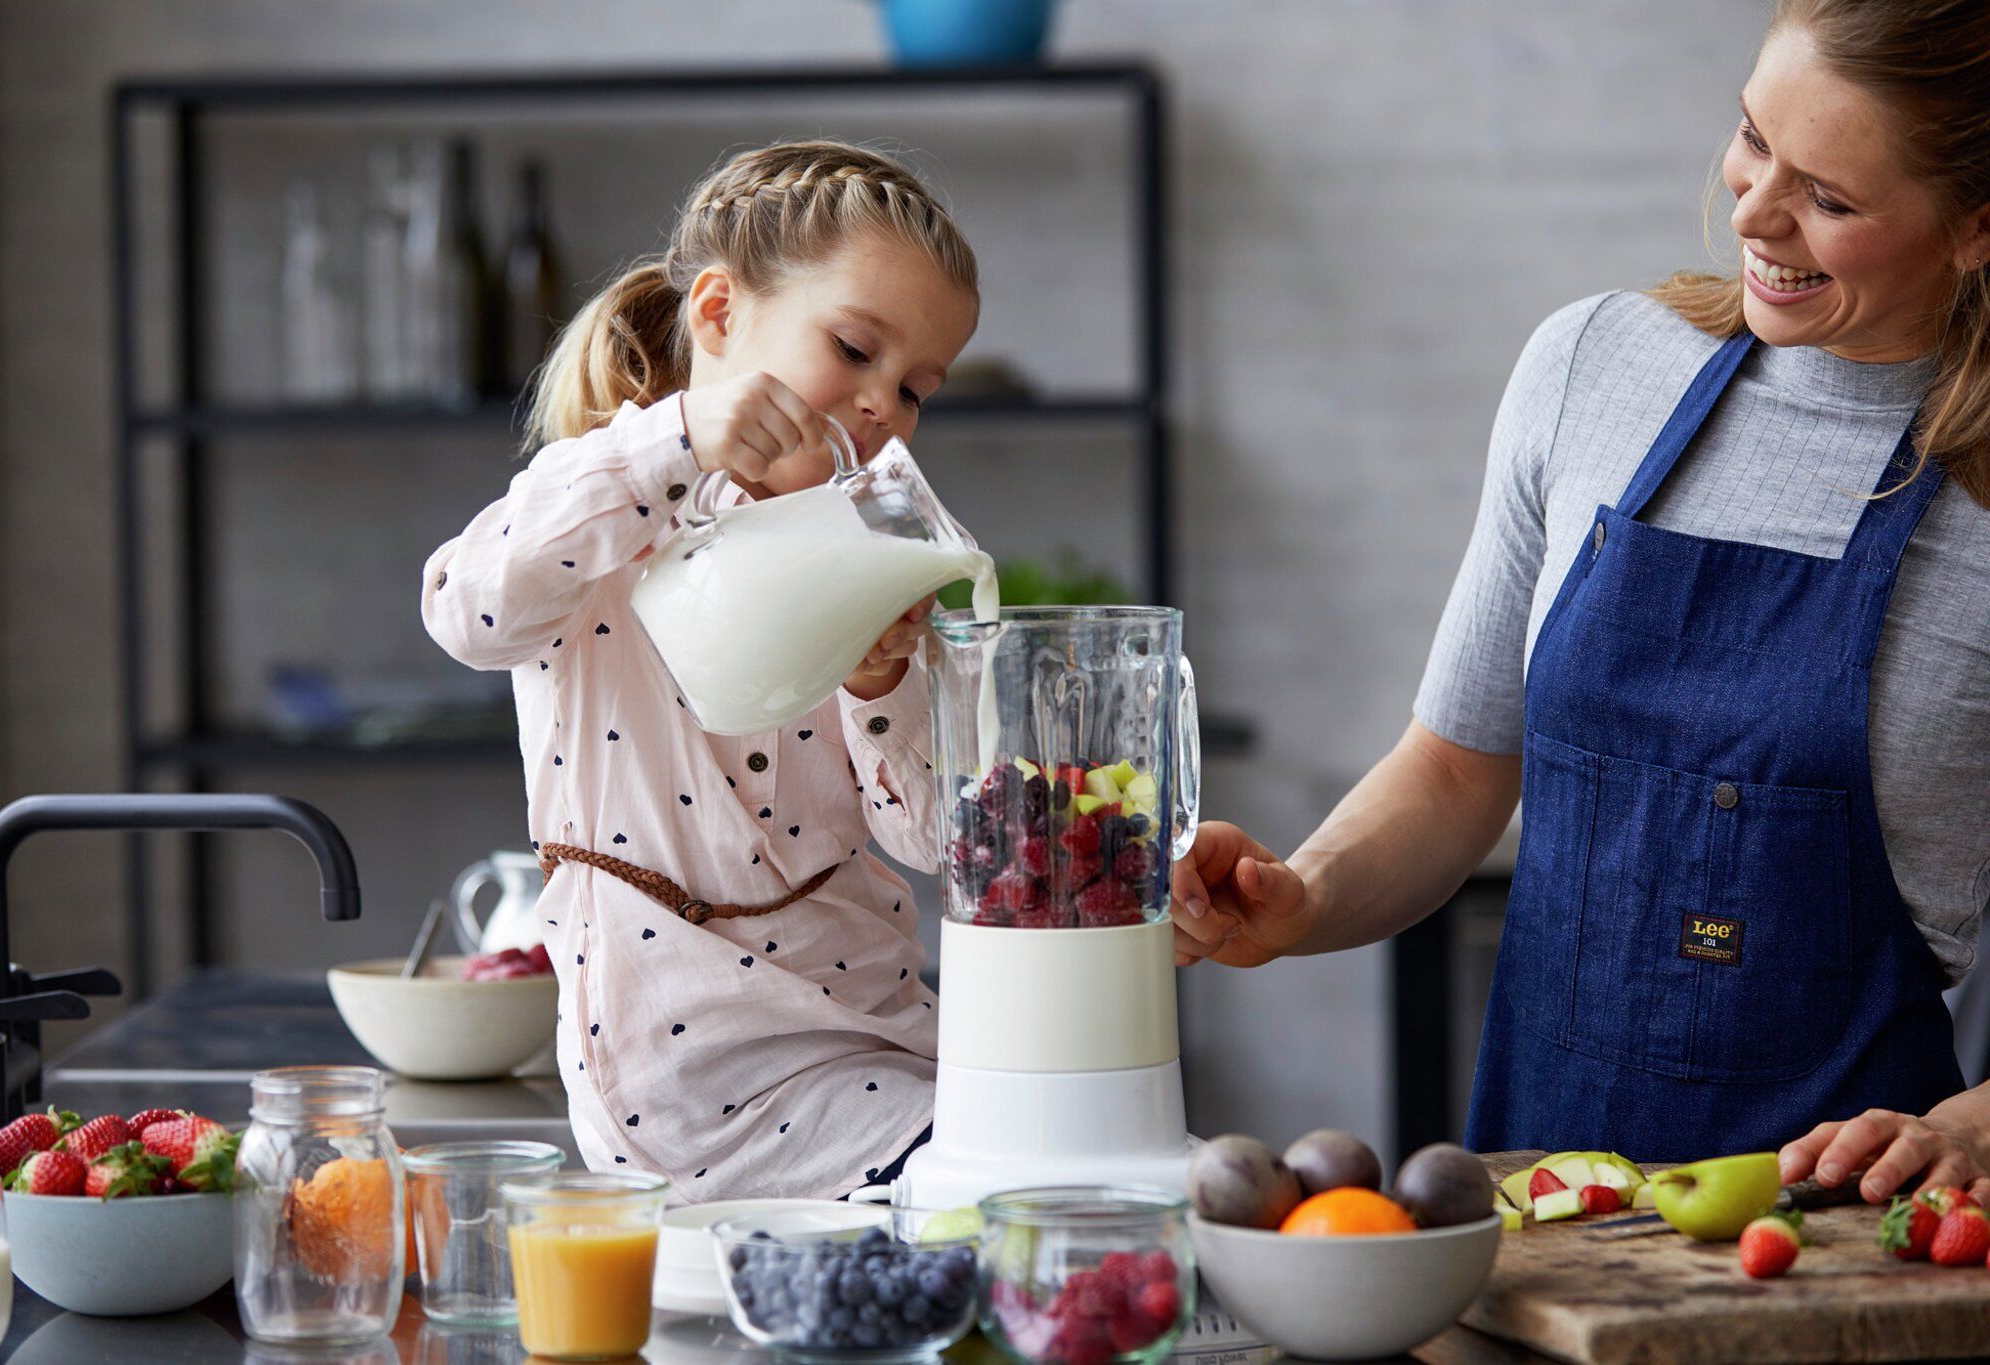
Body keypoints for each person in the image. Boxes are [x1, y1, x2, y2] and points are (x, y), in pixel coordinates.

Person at [1172, 0, 1990, 1204]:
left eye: (1829, 198)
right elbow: (1455, 772)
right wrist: (1302, 899)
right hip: (1540, 1197)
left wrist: (1976, 1126)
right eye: (1752, 138)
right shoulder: (1592, 368)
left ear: (1973, 227)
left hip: (1844, 1234)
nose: (1752, 213)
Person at [422, 141, 980, 1200]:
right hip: (690, 1080)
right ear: (717, 316)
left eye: (914, 388)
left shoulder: (866, 549)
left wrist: (877, 685)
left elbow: (938, 844)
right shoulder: (599, 509)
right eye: (854, 348)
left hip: (883, 1036)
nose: (881, 407)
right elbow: (464, 608)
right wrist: (668, 442)